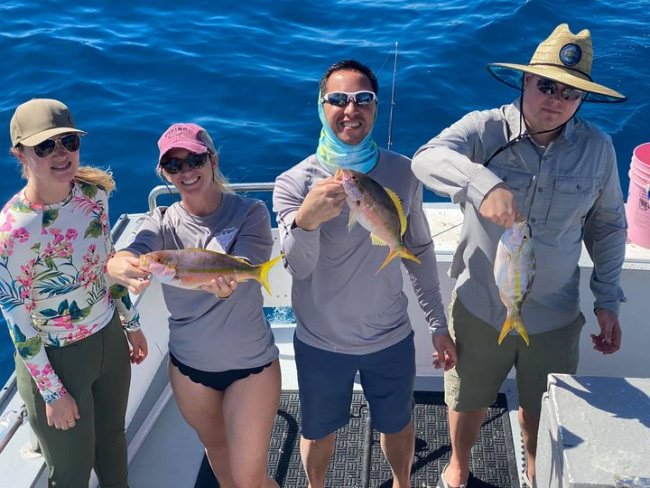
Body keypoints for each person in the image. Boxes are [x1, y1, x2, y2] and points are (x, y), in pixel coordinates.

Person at [411, 24, 627, 488]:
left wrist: (606, 298)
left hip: (555, 313)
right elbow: (425, 158)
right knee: (466, 399)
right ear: (525, 81)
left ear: (582, 100)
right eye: (546, 84)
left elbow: (607, 225)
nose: (556, 99)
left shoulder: (598, 149)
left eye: (570, 92)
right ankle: (458, 465)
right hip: (480, 308)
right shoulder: (483, 129)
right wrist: (481, 183)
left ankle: (534, 467)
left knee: (539, 402)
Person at [273, 59, 455, 488]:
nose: (350, 109)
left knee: (398, 424)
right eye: (337, 99)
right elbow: (298, 266)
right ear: (321, 106)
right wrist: (306, 221)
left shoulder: (404, 171)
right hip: (320, 341)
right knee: (317, 431)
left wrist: (438, 324)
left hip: (390, 335)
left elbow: (420, 251)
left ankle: (402, 483)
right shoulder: (292, 183)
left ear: (376, 107)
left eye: (363, 99)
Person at [106, 122, 281, 488]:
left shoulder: (251, 213)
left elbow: (246, 263)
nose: (186, 171)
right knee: (219, 458)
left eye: (194, 159)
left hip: (250, 366)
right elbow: (134, 250)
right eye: (174, 166)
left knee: (250, 480)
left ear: (212, 159)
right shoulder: (161, 220)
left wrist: (224, 287)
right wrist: (120, 262)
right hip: (189, 370)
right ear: (164, 174)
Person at [0, 98, 148, 487]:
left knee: (113, 443)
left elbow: (108, 264)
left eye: (68, 141)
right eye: (45, 146)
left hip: (109, 340)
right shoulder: (12, 231)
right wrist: (52, 393)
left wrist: (131, 324)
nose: (61, 154)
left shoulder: (93, 195)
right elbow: (16, 321)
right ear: (20, 153)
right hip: (59, 362)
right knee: (71, 472)